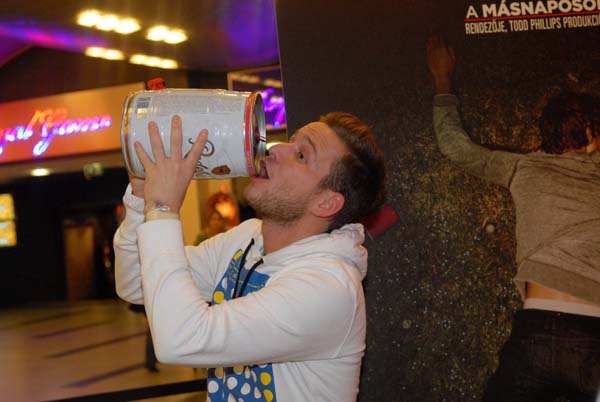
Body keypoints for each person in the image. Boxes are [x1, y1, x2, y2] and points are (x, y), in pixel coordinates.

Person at [113, 111, 386, 401]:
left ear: (326, 203)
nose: (276, 149)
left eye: (302, 155)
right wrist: (142, 199)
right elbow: (135, 283)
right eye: (291, 141)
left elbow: (181, 340)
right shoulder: (248, 238)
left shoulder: (329, 287)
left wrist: (163, 208)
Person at [427, 36, 600, 401]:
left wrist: (442, 78)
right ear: (589, 135)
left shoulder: (524, 168)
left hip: (538, 327)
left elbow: (454, 147)